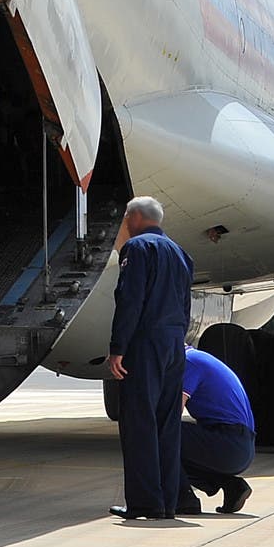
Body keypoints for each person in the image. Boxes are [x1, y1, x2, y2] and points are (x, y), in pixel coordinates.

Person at [106, 195, 192, 520]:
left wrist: (118, 348)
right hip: (174, 342)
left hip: (145, 343)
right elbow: (185, 304)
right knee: (167, 423)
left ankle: (144, 503)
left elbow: (131, 300)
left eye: (127, 219)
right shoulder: (181, 253)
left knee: (139, 421)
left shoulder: (138, 248)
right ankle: (169, 502)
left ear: (136, 218)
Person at [178, 346, 256, 516]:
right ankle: (231, 486)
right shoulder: (198, 357)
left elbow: (173, 412)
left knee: (159, 435)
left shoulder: (188, 362)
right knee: (179, 450)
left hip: (229, 441)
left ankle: (183, 498)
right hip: (240, 443)